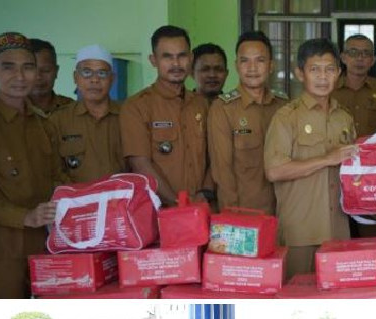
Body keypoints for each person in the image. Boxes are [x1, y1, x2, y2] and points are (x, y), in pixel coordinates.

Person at [264, 38, 356, 278]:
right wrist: (327, 159)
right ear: (300, 73)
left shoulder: (344, 118)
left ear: (338, 73)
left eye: (329, 69)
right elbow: (275, 171)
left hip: (338, 228)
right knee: (298, 295)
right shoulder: (286, 117)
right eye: (315, 69)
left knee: (336, 298)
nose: (323, 77)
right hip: (300, 231)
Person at [0, 31, 61, 299]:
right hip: (2, 249)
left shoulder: (43, 124)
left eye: (28, 67)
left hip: (43, 246)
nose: (20, 77)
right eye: (9, 67)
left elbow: (57, 177)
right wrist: (24, 217)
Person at [120, 25, 211, 207]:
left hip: (202, 209)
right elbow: (140, 164)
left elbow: (213, 157)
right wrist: (178, 203)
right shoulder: (136, 107)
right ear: (153, 60)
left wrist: (205, 193)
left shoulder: (201, 104)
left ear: (191, 58)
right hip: (159, 213)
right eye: (167, 57)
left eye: (182, 56)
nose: (176, 64)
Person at [208, 31, 286, 215]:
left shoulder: (284, 107)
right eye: (245, 61)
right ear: (236, 65)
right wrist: (232, 218)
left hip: (284, 213)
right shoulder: (223, 109)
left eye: (260, 60)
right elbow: (222, 173)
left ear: (271, 66)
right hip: (245, 215)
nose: (252, 68)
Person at [48, 44, 125, 183]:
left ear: (112, 79)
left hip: (122, 200)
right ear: (75, 77)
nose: (94, 80)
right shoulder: (58, 120)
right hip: (76, 201)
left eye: (102, 73)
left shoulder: (129, 115)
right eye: (87, 72)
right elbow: (53, 172)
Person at [332, 34, 376, 137]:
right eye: (353, 53)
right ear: (343, 58)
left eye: (366, 53)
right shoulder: (330, 88)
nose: (360, 58)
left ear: (373, 60)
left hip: (372, 151)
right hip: (336, 150)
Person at [29, 38, 74, 116]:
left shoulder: (72, 108)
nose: (38, 77)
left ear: (56, 71)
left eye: (46, 70)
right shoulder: (7, 110)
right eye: (30, 70)